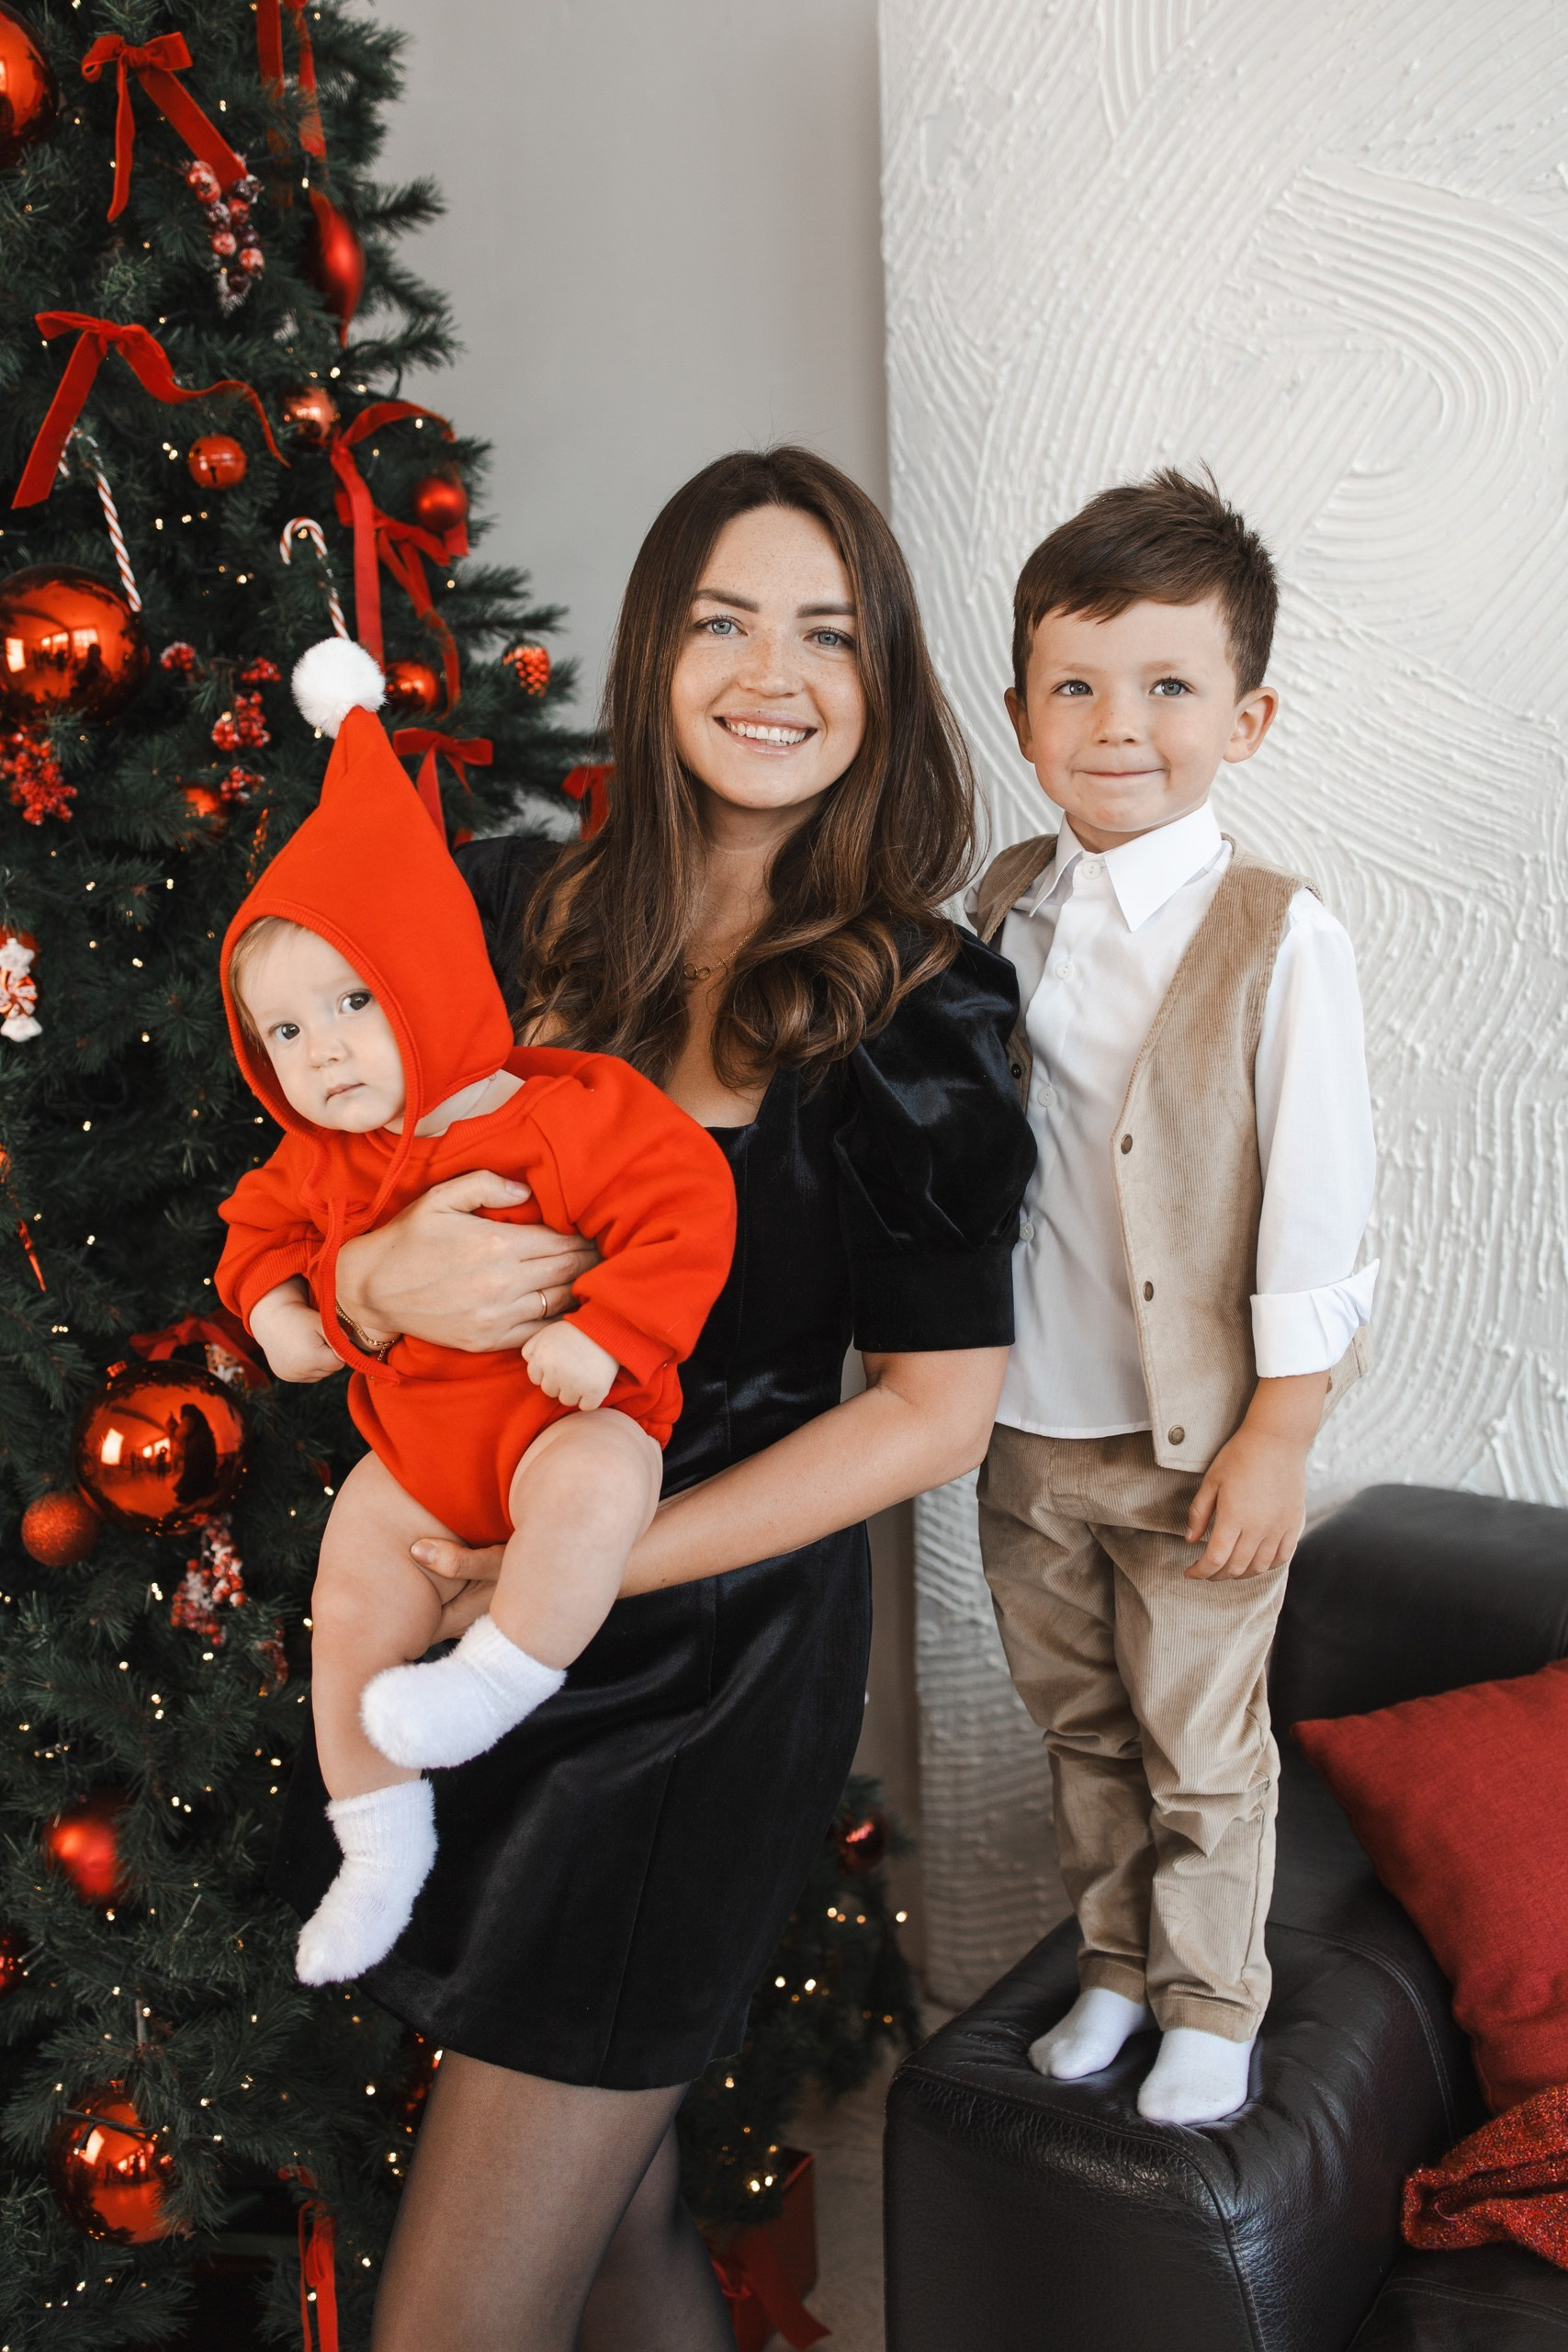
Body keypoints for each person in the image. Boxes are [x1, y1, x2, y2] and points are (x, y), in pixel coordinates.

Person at [265, 446, 1037, 2350]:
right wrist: (370, 1282)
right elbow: (327, 1178)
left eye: (826, 634)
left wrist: (591, 1568)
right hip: (473, 1601)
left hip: (702, 1676)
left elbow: (931, 1414)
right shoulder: (512, 910)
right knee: (613, 2233)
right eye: (723, 622)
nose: (771, 675)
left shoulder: (915, 1006)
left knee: (458, 2315)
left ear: (881, 679)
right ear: (655, 648)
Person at [215, 678, 735, 1986]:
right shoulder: (318, 1157)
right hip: (420, 1458)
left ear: (430, 983)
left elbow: (686, 1206)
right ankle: (378, 1843)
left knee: (595, 1481)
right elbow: (252, 1230)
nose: (322, 1055)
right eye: (286, 1032)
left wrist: (608, 1333)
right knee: (349, 1594)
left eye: (354, 1003)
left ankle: (499, 1675)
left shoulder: (564, 1111)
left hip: (568, 1419)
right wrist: (280, 1309)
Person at [969, 467, 1377, 2128]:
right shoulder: (1001, 906)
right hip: (1027, 1423)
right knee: (1081, 1725)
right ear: (1021, 715)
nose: (1117, 724)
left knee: (1201, 1742)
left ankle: (1213, 1997)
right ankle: (1119, 1966)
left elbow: (1323, 1209)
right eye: (1074, 686)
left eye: (1166, 686)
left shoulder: (1279, 937)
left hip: (1194, 1441)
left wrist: (1283, 1431)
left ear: (1246, 717)